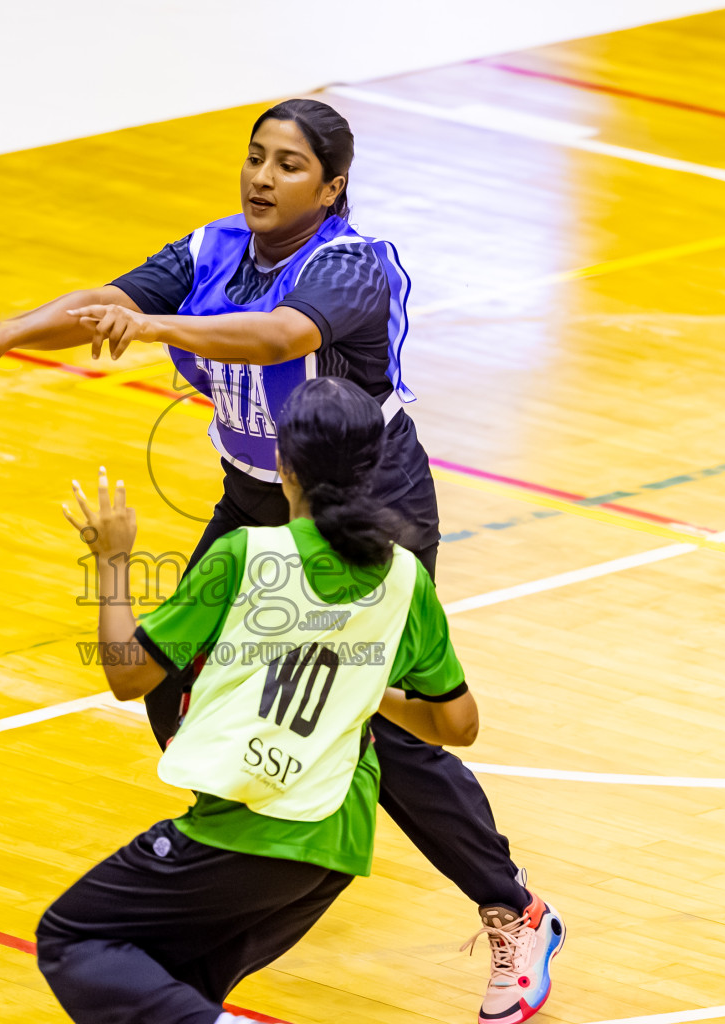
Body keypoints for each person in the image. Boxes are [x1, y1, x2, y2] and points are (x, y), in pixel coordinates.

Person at [0, 99, 564, 1023]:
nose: (263, 177)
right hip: (256, 495)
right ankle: (243, 846)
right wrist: (8, 332)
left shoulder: (350, 265)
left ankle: (515, 908)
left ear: (333, 186)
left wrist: (154, 332)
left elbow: (276, 336)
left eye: (291, 165)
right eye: (256, 158)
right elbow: (105, 304)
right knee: (164, 668)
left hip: (367, 497)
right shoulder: (211, 249)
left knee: (375, 715)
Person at [39, 378, 481, 1024]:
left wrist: (112, 562)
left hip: (247, 829)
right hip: (332, 846)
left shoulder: (248, 554)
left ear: (283, 465)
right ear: (374, 466)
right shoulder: (405, 578)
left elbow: (130, 677)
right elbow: (457, 724)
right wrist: (369, 692)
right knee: (173, 988)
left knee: (74, 937)